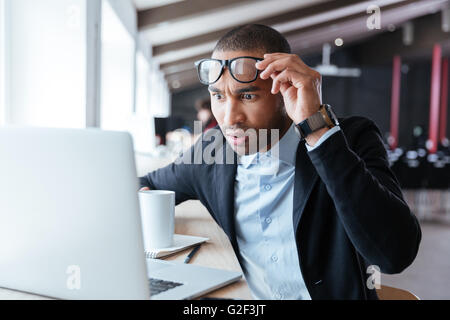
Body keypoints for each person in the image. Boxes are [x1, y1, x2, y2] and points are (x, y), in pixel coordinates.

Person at [140, 24, 421, 300]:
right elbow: (147, 185)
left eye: (247, 95)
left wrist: (319, 131)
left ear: (284, 92)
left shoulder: (350, 139)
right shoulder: (213, 150)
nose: (229, 118)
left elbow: (394, 255)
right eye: (218, 96)